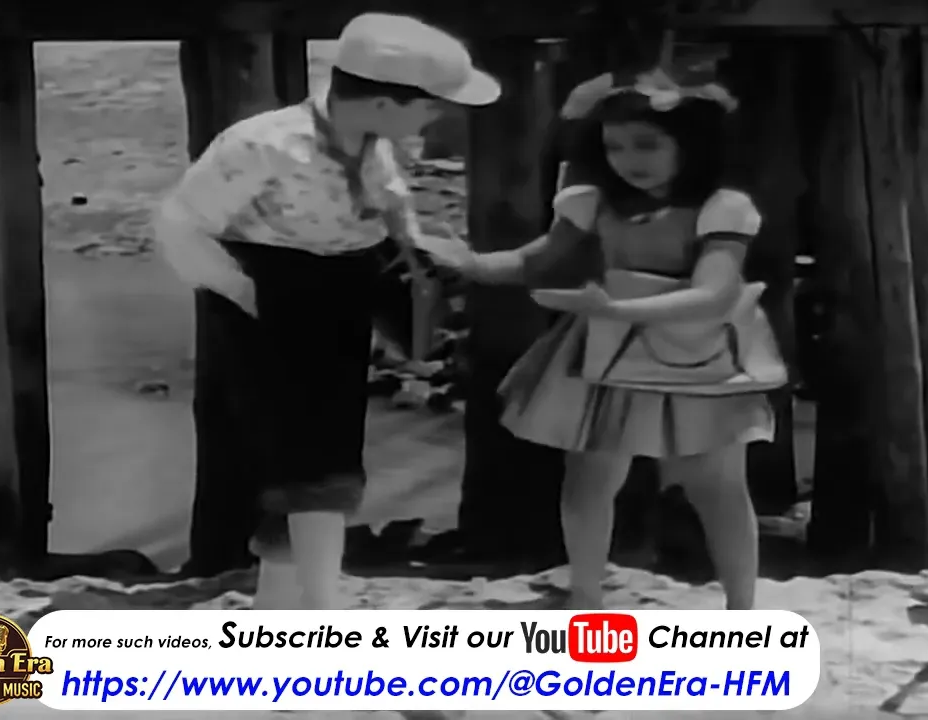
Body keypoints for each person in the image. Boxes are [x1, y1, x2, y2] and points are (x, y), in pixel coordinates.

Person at [151, 13, 500, 609]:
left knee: (323, 453)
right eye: (429, 106)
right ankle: (320, 608)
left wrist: (417, 259)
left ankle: (281, 605)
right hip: (274, 294)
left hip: (342, 292)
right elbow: (180, 225)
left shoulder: (376, 145)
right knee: (307, 463)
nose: (436, 118)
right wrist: (247, 296)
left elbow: (388, 207)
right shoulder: (263, 145)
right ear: (385, 104)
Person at [422, 70, 782, 610]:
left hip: (699, 353)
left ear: (691, 144)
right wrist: (473, 263)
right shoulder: (592, 201)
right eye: (614, 146)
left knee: (717, 483)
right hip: (610, 353)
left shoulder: (723, 207)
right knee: (589, 476)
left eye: (646, 144)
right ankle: (586, 597)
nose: (628, 159)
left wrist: (617, 309)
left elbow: (712, 293)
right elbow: (535, 260)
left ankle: (742, 609)